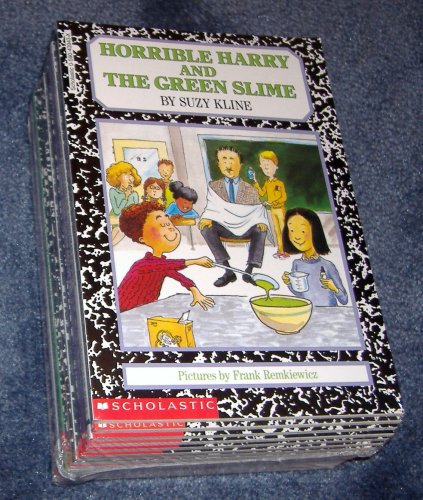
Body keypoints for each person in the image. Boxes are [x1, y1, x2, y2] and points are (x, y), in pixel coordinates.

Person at [117, 201, 215, 312]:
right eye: (163, 225)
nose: (171, 228)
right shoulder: (141, 265)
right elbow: (168, 265)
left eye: (169, 224)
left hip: (144, 310)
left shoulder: (162, 265)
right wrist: (196, 261)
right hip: (122, 311)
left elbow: (181, 278)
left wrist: (195, 292)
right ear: (142, 239)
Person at [199, 146, 268, 287]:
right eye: (223, 160)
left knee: (261, 229)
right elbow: (212, 208)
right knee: (206, 228)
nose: (228, 164)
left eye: (232, 160)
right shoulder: (213, 186)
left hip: (246, 229)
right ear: (218, 164)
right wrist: (207, 217)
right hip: (224, 228)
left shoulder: (251, 189)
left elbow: (257, 210)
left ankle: (249, 271)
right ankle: (228, 271)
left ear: (240, 164)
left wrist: (260, 221)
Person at [281, 207, 348, 306]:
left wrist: (334, 288)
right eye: (291, 231)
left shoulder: (327, 265)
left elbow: (344, 300)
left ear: (315, 231)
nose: (297, 237)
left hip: (330, 312)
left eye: (302, 231)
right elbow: (300, 294)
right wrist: (289, 283)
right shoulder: (297, 264)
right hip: (308, 310)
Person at [252, 150, 288, 259]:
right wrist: (255, 182)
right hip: (272, 210)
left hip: (280, 209)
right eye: (264, 166)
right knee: (277, 231)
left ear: (276, 166)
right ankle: (280, 250)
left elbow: (283, 197)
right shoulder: (267, 183)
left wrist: (273, 202)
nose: (266, 168)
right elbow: (262, 193)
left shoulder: (279, 183)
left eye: (268, 165)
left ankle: (286, 251)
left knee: (283, 230)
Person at [106, 161, 142, 245]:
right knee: (117, 229)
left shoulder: (134, 194)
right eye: (126, 174)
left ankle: (110, 246)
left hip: (127, 219)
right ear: (117, 177)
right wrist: (126, 196)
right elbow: (117, 211)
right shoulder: (113, 192)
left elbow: (135, 211)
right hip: (116, 217)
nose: (130, 177)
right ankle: (109, 246)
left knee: (121, 230)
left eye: (131, 174)